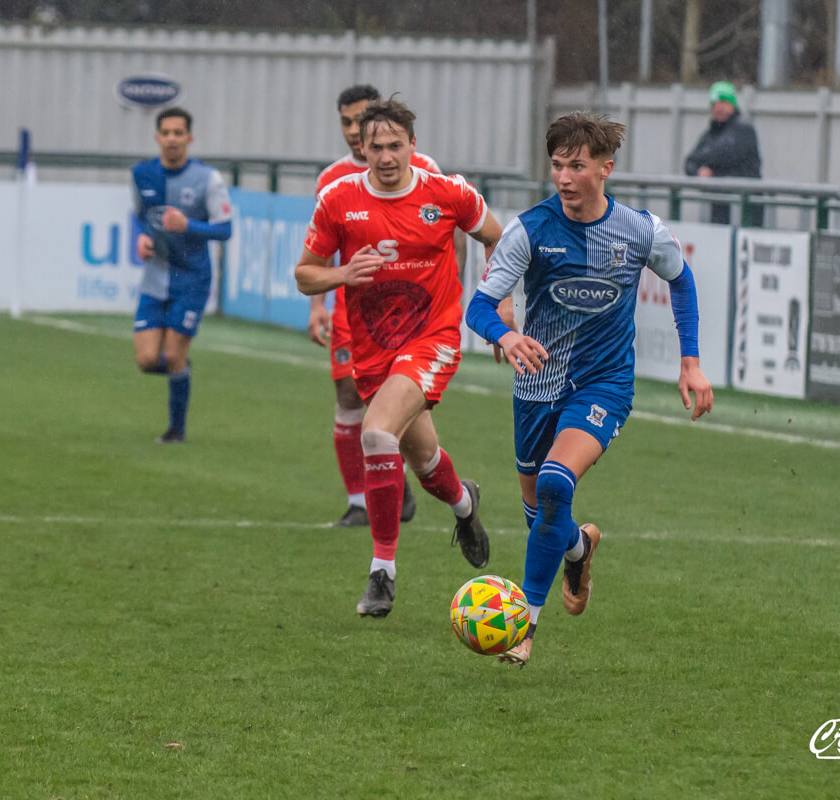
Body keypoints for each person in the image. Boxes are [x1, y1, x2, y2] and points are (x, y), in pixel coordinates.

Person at [466, 112, 714, 666]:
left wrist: (691, 363)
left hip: (604, 384)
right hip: (537, 384)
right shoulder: (529, 230)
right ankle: (578, 548)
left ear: (605, 168)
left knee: (556, 483)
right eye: (557, 164)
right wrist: (506, 336)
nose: (564, 176)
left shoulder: (639, 230)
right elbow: (478, 307)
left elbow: (681, 278)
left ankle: (523, 627)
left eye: (577, 165)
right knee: (542, 518)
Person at [295, 98, 510, 618]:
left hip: (433, 339)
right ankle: (464, 503)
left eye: (396, 145)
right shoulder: (337, 200)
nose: (387, 156)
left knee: (374, 432)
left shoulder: (447, 192)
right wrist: (341, 275)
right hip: (374, 350)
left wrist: (500, 302)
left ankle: (382, 574)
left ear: (414, 146)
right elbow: (305, 275)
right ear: (361, 149)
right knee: (425, 460)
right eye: (377, 147)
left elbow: (498, 239)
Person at [308, 84, 444, 528]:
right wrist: (317, 308)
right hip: (355, 310)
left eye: (359, 120)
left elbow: (453, 237)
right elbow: (321, 253)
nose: (353, 130)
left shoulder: (425, 171)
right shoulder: (331, 181)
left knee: (398, 403)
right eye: (346, 122)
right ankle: (359, 501)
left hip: (411, 313)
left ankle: (397, 485)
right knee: (348, 394)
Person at [131, 107, 232, 443]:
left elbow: (225, 229)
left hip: (191, 280)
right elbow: (139, 216)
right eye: (166, 132)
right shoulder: (142, 174)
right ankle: (181, 373)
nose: (172, 139)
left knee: (173, 353)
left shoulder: (208, 179)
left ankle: (176, 430)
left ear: (189, 138)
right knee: (146, 360)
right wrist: (141, 236)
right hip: (155, 277)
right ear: (157, 137)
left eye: (178, 133)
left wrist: (189, 225)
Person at [683, 81, 763, 226]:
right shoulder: (711, 133)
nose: (718, 107)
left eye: (723, 102)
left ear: (733, 104)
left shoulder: (743, 129)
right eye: (714, 103)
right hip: (721, 212)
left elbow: (725, 154)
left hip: (745, 212)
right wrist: (700, 171)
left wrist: (709, 170)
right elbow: (689, 162)